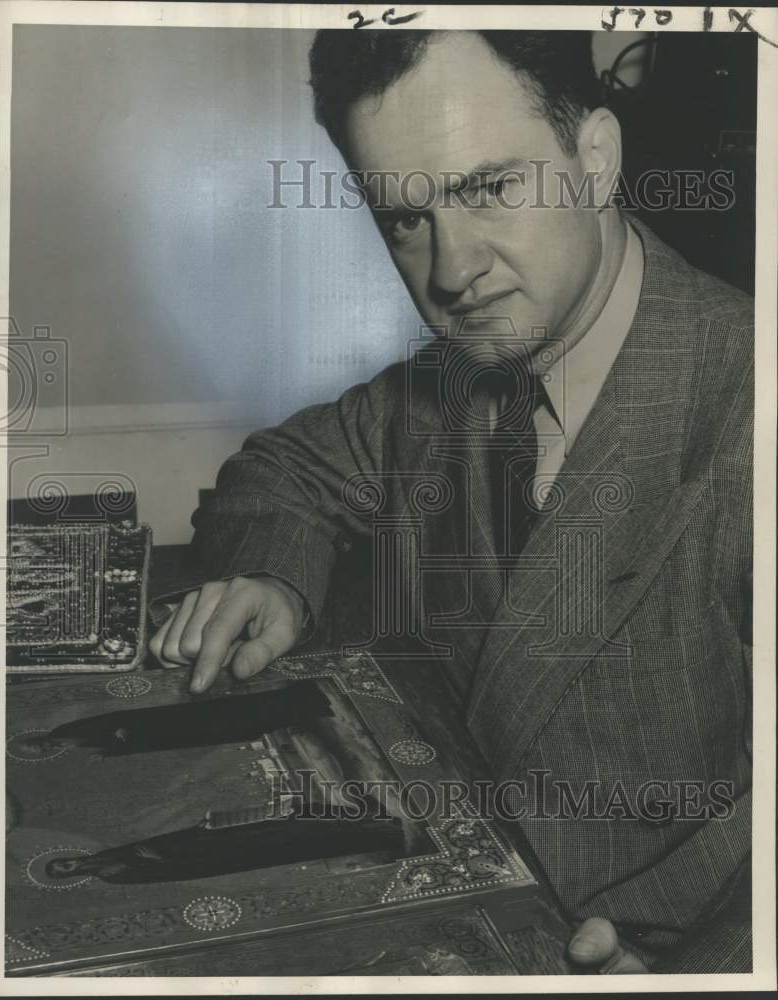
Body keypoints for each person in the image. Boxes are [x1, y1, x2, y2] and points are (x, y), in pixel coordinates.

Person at [149, 30, 753, 973]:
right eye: (405, 218)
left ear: (595, 158)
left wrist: (720, 966)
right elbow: (284, 473)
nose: (450, 270)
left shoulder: (747, 403)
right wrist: (274, 574)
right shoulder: (455, 384)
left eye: (489, 188)